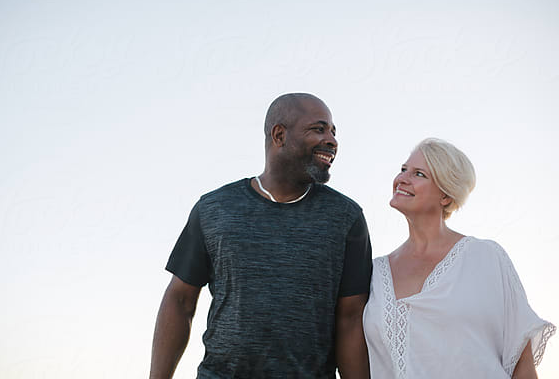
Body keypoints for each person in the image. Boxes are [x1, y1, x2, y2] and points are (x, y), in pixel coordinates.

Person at [149, 93, 373, 378]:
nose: (331, 140)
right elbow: (179, 301)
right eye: (319, 129)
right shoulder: (214, 209)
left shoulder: (346, 217)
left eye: (333, 131)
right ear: (279, 135)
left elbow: (351, 319)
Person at [363, 138, 555, 378]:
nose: (402, 178)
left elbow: (522, 363)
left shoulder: (486, 258)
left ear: (446, 197)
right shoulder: (374, 273)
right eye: (403, 169)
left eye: (419, 174)